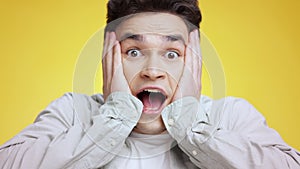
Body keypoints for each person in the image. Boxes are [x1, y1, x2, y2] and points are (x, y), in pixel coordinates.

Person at [0, 0, 299, 168]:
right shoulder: (72, 111)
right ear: (108, 57)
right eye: (133, 51)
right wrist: (114, 119)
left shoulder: (231, 116)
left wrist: (189, 126)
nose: (153, 70)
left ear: (192, 61)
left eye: (172, 53)